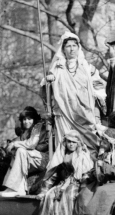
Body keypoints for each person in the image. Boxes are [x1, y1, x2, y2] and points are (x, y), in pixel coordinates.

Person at [44, 31, 107, 171]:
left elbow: (98, 88)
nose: (72, 49)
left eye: (74, 45)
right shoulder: (56, 69)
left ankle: (87, 173)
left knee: (88, 144)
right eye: (68, 46)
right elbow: (45, 90)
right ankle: (64, 174)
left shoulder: (87, 68)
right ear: (63, 49)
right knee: (65, 144)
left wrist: (99, 105)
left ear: (79, 48)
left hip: (84, 114)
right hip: (64, 113)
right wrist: (49, 81)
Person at [38, 135, 94, 215]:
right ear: (65, 143)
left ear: (78, 143)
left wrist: (83, 188)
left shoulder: (82, 154)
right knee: (50, 195)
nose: (71, 144)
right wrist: (44, 190)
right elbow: (54, 174)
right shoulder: (61, 155)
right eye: (69, 142)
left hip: (77, 183)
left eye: (74, 142)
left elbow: (87, 173)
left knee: (66, 195)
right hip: (63, 182)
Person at [0, 107, 51, 197]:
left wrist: (15, 144)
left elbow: (31, 144)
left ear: (34, 119)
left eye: (29, 119)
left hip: (44, 159)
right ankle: (13, 188)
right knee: (18, 153)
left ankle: (14, 188)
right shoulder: (25, 132)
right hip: (32, 158)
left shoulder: (38, 126)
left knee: (21, 151)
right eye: (24, 119)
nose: (26, 122)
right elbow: (20, 143)